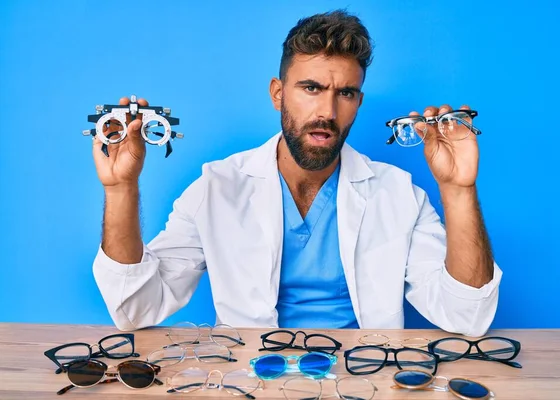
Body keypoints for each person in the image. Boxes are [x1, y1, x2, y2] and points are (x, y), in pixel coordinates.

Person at [92, 9, 502, 336]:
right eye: (311, 88)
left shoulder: (398, 195)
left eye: (345, 93)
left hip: (363, 376)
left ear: (358, 101)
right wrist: (121, 188)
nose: (326, 112)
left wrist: (458, 188)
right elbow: (136, 307)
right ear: (277, 93)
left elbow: (467, 317)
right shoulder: (216, 188)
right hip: (250, 378)